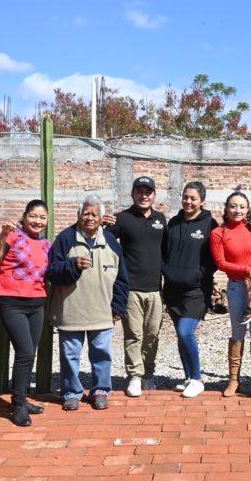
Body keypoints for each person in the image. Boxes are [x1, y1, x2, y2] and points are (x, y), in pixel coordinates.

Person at [46, 194, 129, 412]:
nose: (90, 218)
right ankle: (71, 393)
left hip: (102, 312)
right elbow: (52, 272)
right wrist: (72, 265)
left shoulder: (111, 241)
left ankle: (100, 391)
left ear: (102, 218)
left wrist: (118, 307)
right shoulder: (65, 238)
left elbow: (122, 278)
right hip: (70, 312)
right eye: (86, 213)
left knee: (102, 354)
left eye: (94, 214)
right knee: (70, 356)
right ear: (78, 215)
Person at [0, 200, 51, 427]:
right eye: (33, 216)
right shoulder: (13, 237)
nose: (37, 221)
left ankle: (22, 400)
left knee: (29, 353)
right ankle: (17, 405)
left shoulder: (46, 245)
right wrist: (2, 235)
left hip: (37, 302)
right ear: (24, 217)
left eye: (42, 217)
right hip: (12, 301)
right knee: (25, 351)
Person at [104, 176, 166, 397]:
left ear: (154, 195)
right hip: (131, 289)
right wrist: (101, 223)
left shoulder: (161, 220)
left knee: (152, 335)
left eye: (148, 191)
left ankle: (148, 374)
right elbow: (103, 243)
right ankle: (135, 377)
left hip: (155, 290)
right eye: (139, 191)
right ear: (133, 194)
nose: (144, 195)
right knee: (134, 335)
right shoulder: (121, 219)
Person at [210, 192, 251, 400]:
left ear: (248, 210)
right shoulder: (219, 233)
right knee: (238, 332)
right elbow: (221, 263)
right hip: (236, 286)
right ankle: (233, 380)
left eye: (242, 207)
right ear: (226, 208)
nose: (238, 211)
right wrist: (246, 269)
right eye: (234, 206)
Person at [162, 181, 218, 398]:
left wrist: (198, 275)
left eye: (193, 198)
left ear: (202, 201)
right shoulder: (174, 223)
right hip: (172, 289)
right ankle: (187, 377)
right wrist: (164, 269)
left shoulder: (210, 225)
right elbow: (164, 250)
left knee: (186, 332)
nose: (188, 201)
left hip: (196, 291)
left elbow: (213, 259)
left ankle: (196, 378)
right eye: (186, 197)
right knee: (180, 334)